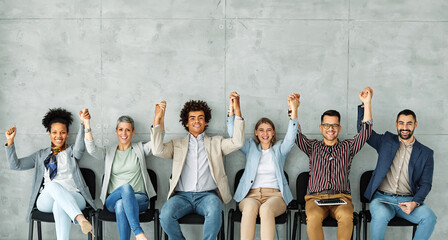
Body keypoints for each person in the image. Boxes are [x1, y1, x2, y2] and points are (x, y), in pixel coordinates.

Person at [151, 93, 245, 240]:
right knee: (165, 215)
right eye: (192, 118)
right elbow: (157, 150)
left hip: (208, 196)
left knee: (215, 210)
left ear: (206, 122)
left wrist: (237, 109)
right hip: (182, 197)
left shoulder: (216, 142)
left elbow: (237, 142)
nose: (197, 121)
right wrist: (158, 119)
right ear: (186, 123)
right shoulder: (177, 144)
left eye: (201, 117)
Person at [357, 87, 437, 240]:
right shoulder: (386, 141)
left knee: (429, 217)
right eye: (401, 123)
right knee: (379, 216)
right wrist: (365, 105)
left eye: (409, 123)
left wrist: (415, 203)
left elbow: (426, 184)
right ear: (396, 124)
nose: (405, 127)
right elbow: (364, 133)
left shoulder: (426, 153)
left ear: (415, 125)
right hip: (382, 200)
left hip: (408, 201)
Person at [4, 108, 95, 240]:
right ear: (49, 134)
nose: (59, 136)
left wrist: (85, 123)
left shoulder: (72, 152)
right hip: (46, 199)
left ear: (68, 134)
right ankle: (80, 218)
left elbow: (80, 147)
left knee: (60, 204)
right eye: (54, 132)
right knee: (52, 186)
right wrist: (10, 141)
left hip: (74, 196)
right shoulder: (41, 155)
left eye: (63, 132)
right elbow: (16, 165)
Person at [295, 87, 373, 240]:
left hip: (341, 198)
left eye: (334, 125)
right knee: (312, 218)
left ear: (339, 128)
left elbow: (365, 132)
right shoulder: (312, 147)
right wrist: (294, 109)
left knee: (346, 216)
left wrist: (367, 103)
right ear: (321, 127)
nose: (330, 128)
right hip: (315, 199)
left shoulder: (347, 147)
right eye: (326, 125)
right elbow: (295, 135)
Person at [82, 105, 164, 240]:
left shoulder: (140, 149)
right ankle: (138, 233)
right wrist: (87, 124)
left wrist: (157, 118)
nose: (124, 133)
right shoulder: (108, 152)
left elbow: (157, 142)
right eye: (120, 129)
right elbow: (91, 150)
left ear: (133, 132)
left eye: (127, 130)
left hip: (139, 199)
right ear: (116, 131)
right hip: (112, 200)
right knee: (125, 189)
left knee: (121, 205)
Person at [230, 93, 300, 240]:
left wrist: (294, 111)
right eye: (261, 130)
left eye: (268, 130)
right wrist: (235, 110)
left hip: (275, 196)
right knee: (249, 208)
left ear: (273, 132)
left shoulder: (280, 149)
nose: (265, 133)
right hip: (250, 195)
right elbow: (234, 135)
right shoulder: (250, 148)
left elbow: (291, 137)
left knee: (266, 209)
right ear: (256, 133)